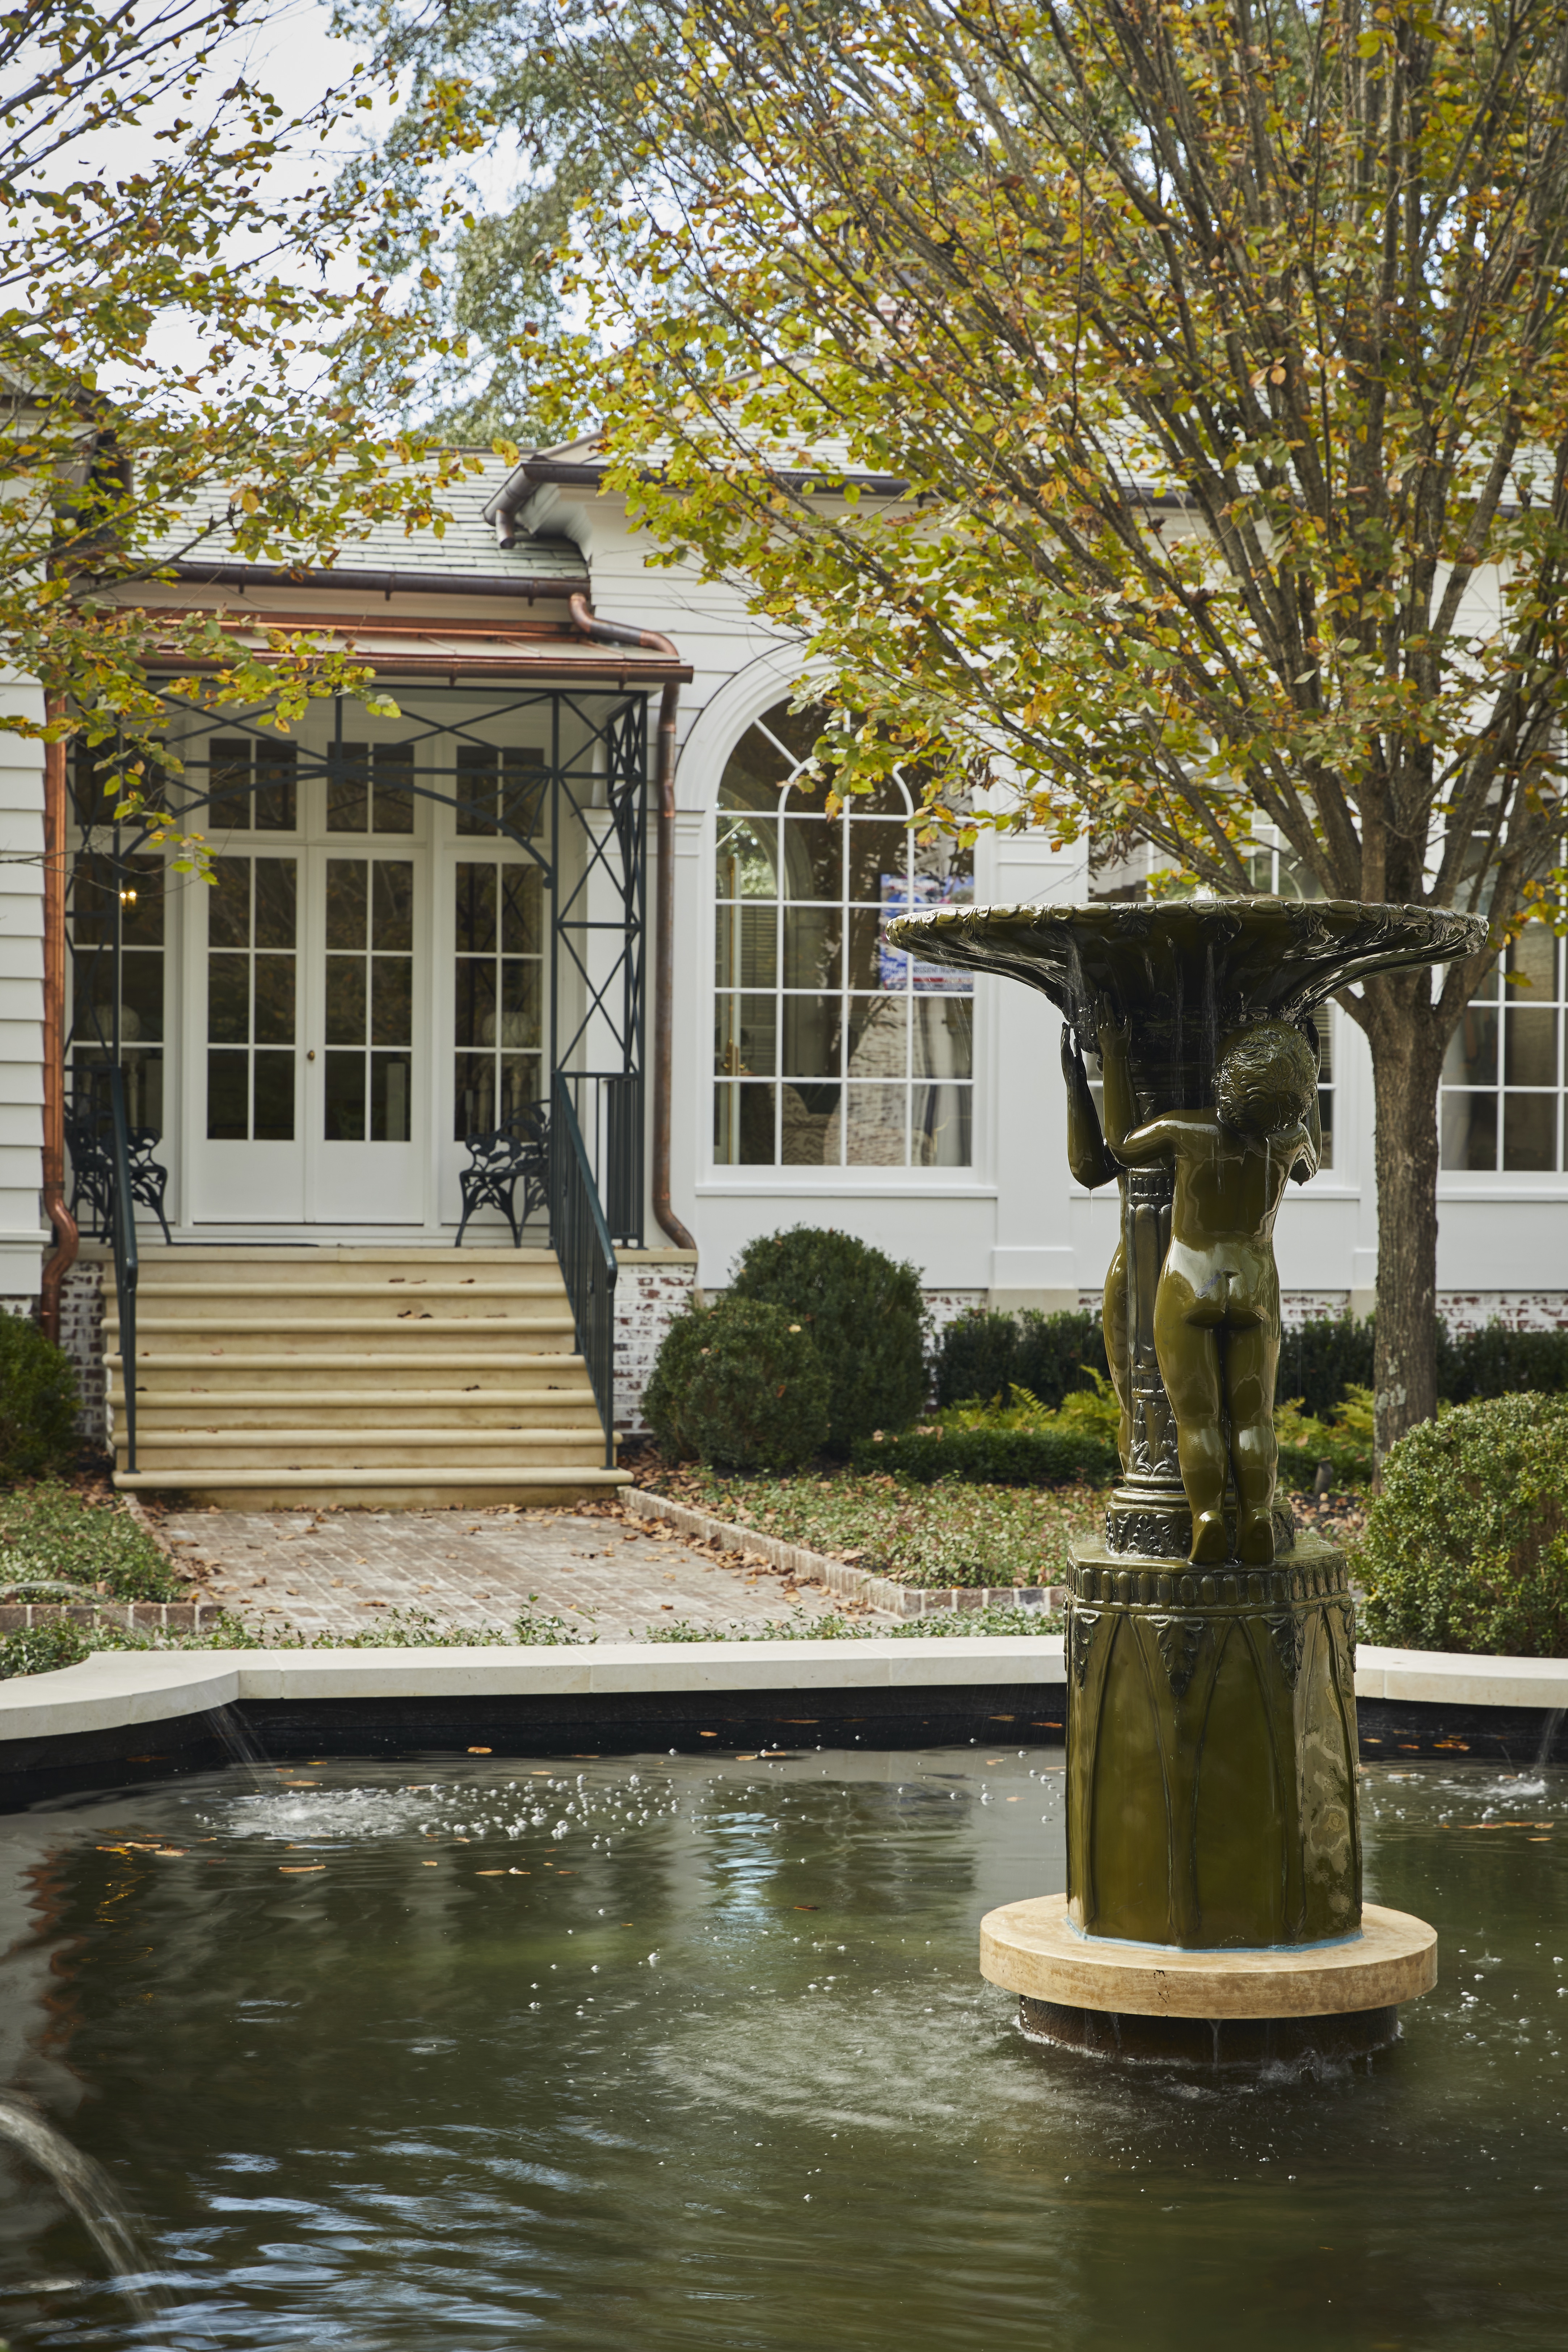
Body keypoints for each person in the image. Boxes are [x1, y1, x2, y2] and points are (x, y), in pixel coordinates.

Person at [1097, 1012, 1320, 1566]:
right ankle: (1260, 1517)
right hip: (1254, 1282)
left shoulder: (1186, 1130)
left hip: (1189, 1279)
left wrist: (1117, 1056)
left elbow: (1121, 1146)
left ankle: (1205, 1520)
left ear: (1228, 1080)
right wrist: (1304, 1086)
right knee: (1254, 1417)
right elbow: (1310, 1168)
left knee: (1197, 1418)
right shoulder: (1290, 1140)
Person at [1059, 1025, 1129, 1470]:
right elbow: (1091, 1167)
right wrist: (1077, 1085)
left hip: (1149, 1259)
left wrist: (1116, 1058)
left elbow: (1102, 1160)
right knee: (1132, 1394)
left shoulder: (1186, 1129)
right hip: (1141, 1260)